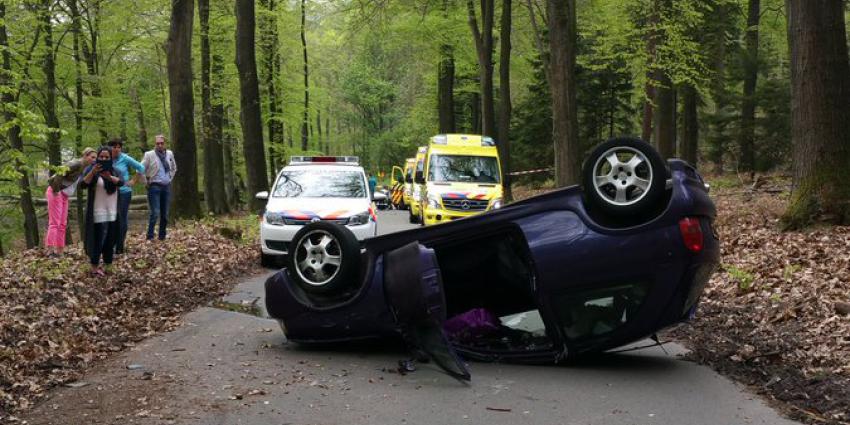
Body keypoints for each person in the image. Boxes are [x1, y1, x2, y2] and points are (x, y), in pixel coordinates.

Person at [45, 148, 97, 257]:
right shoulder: (76, 163)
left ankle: (60, 251)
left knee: (63, 224)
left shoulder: (85, 167)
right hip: (56, 191)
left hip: (65, 195)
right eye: (92, 157)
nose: (94, 159)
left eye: (95, 158)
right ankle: (50, 250)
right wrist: (55, 190)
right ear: (85, 156)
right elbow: (60, 171)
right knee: (55, 222)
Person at [81, 147, 124, 276]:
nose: (104, 159)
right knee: (97, 239)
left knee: (111, 239)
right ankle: (94, 267)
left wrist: (109, 177)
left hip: (112, 212)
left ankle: (108, 265)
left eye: (107, 157)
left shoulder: (115, 170)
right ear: (98, 158)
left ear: (111, 158)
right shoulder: (91, 169)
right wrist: (93, 172)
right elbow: (83, 184)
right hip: (97, 212)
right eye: (101, 157)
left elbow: (121, 183)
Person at [107, 138, 145, 255]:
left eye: (119, 147)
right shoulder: (106, 158)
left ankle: (120, 246)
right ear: (110, 148)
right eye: (114, 147)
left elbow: (141, 167)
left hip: (124, 192)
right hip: (110, 193)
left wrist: (134, 180)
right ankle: (110, 245)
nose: (117, 149)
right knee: (111, 218)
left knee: (122, 218)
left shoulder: (125, 158)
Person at [142, 135, 177, 240]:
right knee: (155, 213)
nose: (160, 145)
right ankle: (150, 236)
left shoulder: (169, 154)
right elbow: (139, 169)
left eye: (162, 143)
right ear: (155, 144)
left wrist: (170, 177)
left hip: (166, 186)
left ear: (165, 143)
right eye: (158, 143)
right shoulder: (149, 155)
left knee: (165, 214)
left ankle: (162, 236)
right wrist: (146, 182)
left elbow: (174, 168)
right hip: (154, 186)